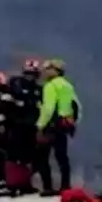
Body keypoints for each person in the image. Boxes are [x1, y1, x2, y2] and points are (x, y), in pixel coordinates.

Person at [36, 59, 79, 193]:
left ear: (55, 71)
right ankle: (65, 186)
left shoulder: (50, 86)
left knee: (42, 157)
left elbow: (48, 108)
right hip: (64, 125)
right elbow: (76, 106)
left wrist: (40, 125)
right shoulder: (68, 85)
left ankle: (47, 187)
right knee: (62, 157)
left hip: (51, 125)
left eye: (48, 69)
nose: (45, 72)